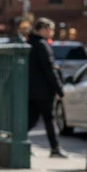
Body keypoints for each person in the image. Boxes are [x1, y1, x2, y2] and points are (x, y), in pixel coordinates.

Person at [27, 17, 67, 158]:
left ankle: (21, 141)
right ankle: (55, 148)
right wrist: (59, 89)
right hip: (43, 91)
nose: (52, 32)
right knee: (49, 119)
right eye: (50, 29)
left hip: (30, 89)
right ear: (42, 29)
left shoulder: (29, 43)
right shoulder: (42, 45)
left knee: (31, 120)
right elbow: (49, 70)